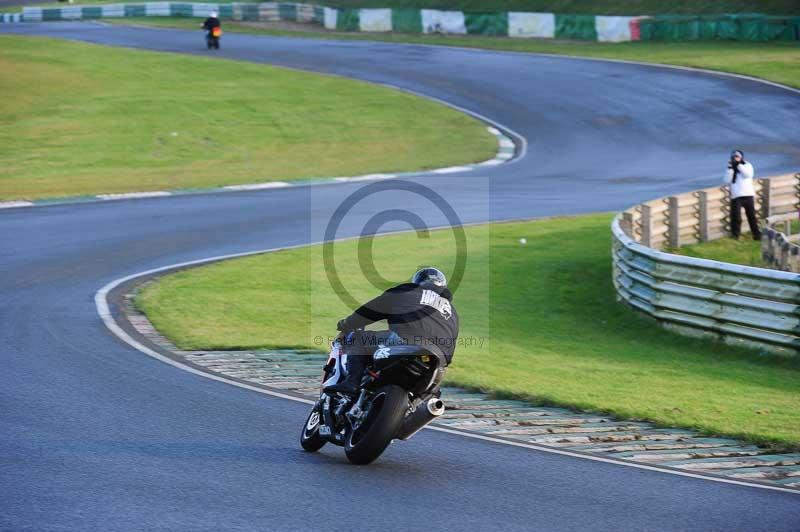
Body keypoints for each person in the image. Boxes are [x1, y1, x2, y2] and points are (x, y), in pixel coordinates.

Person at [324, 267, 459, 395]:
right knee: (431, 394)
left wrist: (346, 324)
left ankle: (352, 383)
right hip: (439, 359)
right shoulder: (452, 311)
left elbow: (370, 310)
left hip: (407, 342)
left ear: (418, 282)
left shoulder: (407, 291)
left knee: (356, 338)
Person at [724, 149, 761, 241]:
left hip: (748, 194)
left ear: (741, 157)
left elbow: (748, 175)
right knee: (736, 217)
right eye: (734, 157)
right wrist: (730, 169)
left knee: (751, 216)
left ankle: (756, 235)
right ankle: (735, 236)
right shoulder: (731, 168)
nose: (736, 158)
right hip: (736, 196)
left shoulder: (747, 165)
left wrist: (739, 165)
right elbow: (726, 180)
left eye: (737, 156)